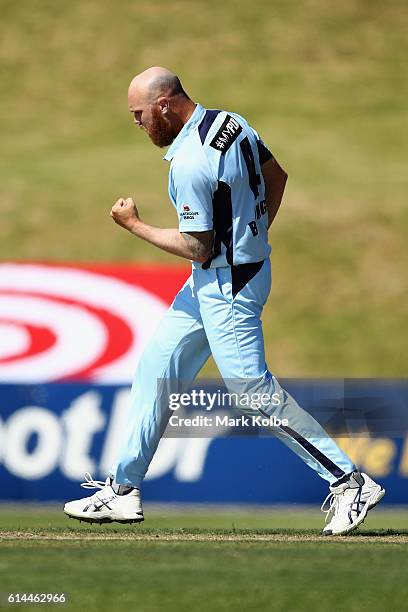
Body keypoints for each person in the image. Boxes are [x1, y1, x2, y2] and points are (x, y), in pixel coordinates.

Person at [64, 67, 385, 535]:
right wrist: (252, 238)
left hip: (226, 285)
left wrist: (134, 225)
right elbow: (278, 177)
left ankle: (348, 480)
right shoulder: (232, 122)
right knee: (157, 368)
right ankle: (123, 490)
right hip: (222, 278)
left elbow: (199, 246)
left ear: (165, 105)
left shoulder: (190, 161)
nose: (136, 123)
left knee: (253, 393)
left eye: (139, 114)